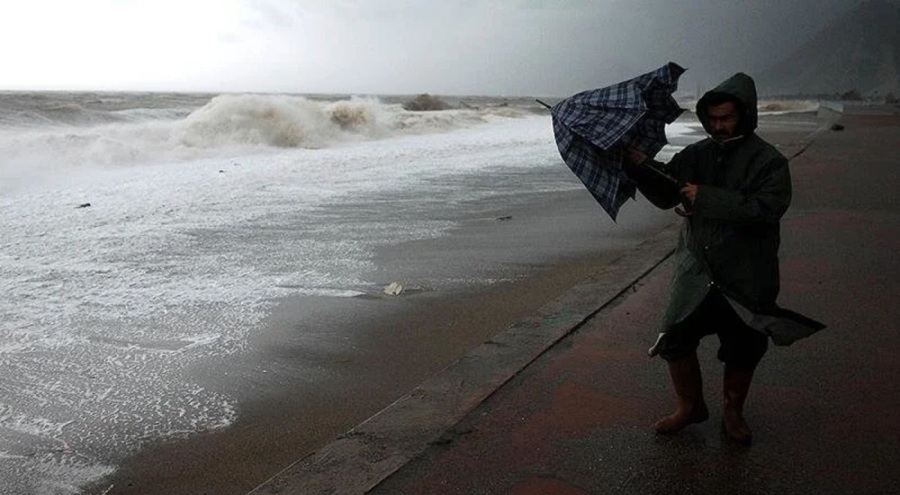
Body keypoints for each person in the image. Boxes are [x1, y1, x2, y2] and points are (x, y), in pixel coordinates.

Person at [625, 72, 791, 445]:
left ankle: (733, 410)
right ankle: (690, 406)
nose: (717, 126)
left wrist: (707, 198)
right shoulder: (696, 153)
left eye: (726, 118)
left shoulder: (769, 162)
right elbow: (668, 191)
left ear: (745, 115)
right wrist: (639, 166)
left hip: (746, 273)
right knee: (674, 337)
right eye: (712, 119)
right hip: (696, 269)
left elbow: (766, 208)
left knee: (744, 346)